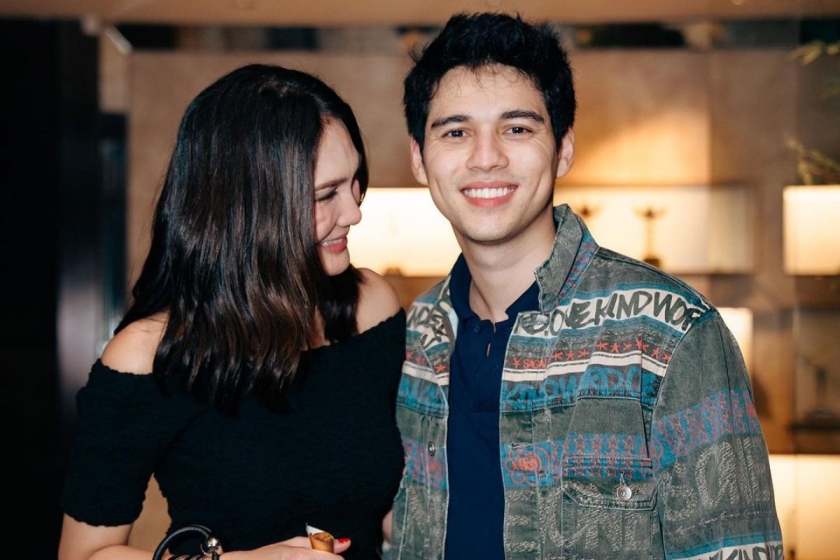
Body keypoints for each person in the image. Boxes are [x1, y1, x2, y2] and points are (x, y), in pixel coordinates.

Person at [387, 12, 784, 560]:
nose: (486, 157)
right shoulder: (415, 337)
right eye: (456, 132)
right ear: (418, 158)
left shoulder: (667, 333)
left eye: (517, 128)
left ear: (564, 148)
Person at [59, 63, 406, 560]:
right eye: (326, 194)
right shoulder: (146, 356)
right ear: (251, 207)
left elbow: (387, 500)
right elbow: (85, 555)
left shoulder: (370, 306)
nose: (354, 211)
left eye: (355, 182)